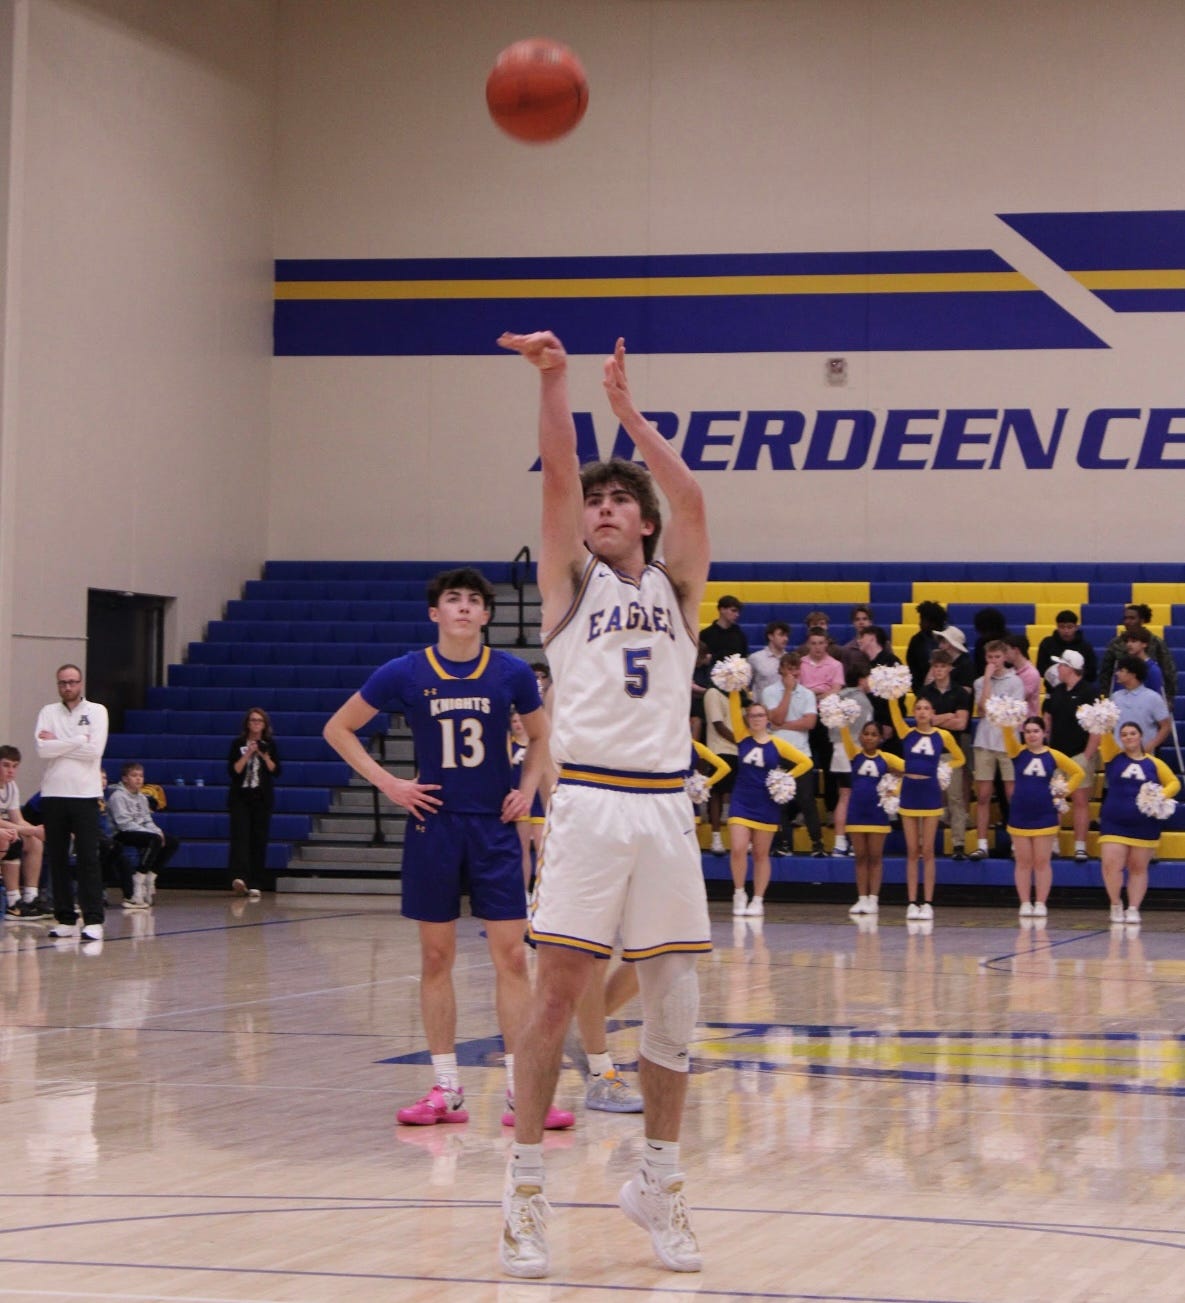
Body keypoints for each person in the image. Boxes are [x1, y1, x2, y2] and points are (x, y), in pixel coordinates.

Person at [496, 329, 711, 1278]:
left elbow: (693, 498)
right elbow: (556, 477)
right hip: (588, 802)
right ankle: (523, 1192)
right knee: (556, 996)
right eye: (596, 502)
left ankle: (658, 1181)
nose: (604, 508)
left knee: (676, 1004)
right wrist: (556, 383)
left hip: (664, 807)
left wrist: (631, 419)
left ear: (645, 522)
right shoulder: (567, 586)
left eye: (621, 499)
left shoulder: (680, 588)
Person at [322, 568, 571, 1135]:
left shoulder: (511, 672)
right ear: (434, 613)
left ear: (486, 614)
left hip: (493, 829)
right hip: (433, 825)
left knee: (513, 958)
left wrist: (528, 787)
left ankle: (523, 1091)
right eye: (452, 600)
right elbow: (338, 729)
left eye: (473, 600)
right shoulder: (406, 671)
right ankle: (446, 1088)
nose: (463, 607)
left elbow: (540, 735)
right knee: (436, 959)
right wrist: (390, 784)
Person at [36, 665, 108, 943]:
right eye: (63, 683)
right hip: (53, 794)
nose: (67, 687)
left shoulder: (97, 711)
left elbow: (94, 750)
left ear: (81, 683)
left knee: (88, 857)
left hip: (85, 795)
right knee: (57, 858)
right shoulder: (48, 712)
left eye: (72, 682)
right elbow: (42, 750)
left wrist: (59, 742)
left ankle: (93, 920)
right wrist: (77, 740)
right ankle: (65, 918)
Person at [725, 693, 811, 917]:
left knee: (761, 854)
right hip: (741, 800)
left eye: (760, 715)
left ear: (767, 719)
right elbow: (734, 706)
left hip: (766, 803)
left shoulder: (777, 744)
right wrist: (734, 687)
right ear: (747, 719)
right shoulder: (741, 736)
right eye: (752, 715)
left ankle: (758, 899)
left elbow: (805, 762)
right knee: (738, 848)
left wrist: (785, 778)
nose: (756, 719)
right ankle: (739, 893)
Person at [889, 695, 965, 919]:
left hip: (930, 792)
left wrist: (944, 768)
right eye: (918, 708)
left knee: (929, 850)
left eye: (926, 708)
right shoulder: (906, 732)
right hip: (909, 793)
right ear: (914, 712)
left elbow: (960, 758)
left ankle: (928, 902)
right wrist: (892, 695)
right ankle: (912, 901)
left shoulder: (943, 735)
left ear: (932, 713)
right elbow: (894, 712)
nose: (922, 712)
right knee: (912, 851)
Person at [1096, 723, 1180, 925]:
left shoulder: (1154, 763)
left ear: (1141, 736)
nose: (1128, 737)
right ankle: (1115, 903)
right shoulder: (1113, 757)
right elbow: (1105, 736)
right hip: (1114, 822)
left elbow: (1175, 783)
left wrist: (1160, 796)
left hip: (1144, 824)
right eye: (1124, 734)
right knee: (1111, 865)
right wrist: (1104, 719)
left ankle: (1133, 908)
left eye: (1133, 733)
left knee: (1138, 868)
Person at [1001, 719, 1085, 918]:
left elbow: (1078, 772)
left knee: (1042, 862)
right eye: (1028, 731)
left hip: (1045, 814)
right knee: (1023, 862)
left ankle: (1040, 903)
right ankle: (1024, 903)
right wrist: (1005, 719)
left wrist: (1064, 791)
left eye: (1036, 731)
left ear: (1044, 733)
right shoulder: (1017, 752)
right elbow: (1007, 734)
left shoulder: (1053, 755)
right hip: (1020, 814)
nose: (1032, 735)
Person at [839, 720, 905, 915]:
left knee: (875, 857)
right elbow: (844, 733)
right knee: (860, 857)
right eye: (866, 733)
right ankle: (861, 899)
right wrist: (841, 717)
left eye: (874, 734)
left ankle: (873, 899)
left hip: (877, 813)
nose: (869, 737)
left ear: (880, 739)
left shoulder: (886, 758)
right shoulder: (854, 753)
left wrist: (895, 789)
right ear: (861, 736)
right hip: (856, 812)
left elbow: (910, 769)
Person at [761, 653, 824, 857]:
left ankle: (817, 843)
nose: (793, 673)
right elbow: (776, 717)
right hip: (777, 753)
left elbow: (810, 723)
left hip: (801, 754)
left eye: (796, 668)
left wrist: (781, 726)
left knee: (807, 799)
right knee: (779, 800)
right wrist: (788, 691)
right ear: (781, 670)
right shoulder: (769, 692)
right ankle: (784, 844)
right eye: (789, 668)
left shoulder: (807, 694)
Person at [969, 640, 1026, 861]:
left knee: (1013, 795)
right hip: (985, 741)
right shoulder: (979, 682)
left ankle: (1016, 843)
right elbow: (982, 710)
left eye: (997, 657)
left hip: (1008, 743)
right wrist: (986, 679)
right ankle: (982, 844)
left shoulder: (1015, 681)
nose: (994, 661)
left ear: (1005, 657)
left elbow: (1015, 713)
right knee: (983, 795)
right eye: (990, 657)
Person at [1043, 650, 1100, 863]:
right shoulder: (1057, 691)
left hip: (1079, 754)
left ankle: (1080, 847)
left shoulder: (1089, 692)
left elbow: (1097, 728)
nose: (1058, 668)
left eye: (1061, 665)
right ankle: (1052, 844)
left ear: (1071, 668)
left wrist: (1087, 755)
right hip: (1058, 755)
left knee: (1080, 801)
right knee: (1056, 799)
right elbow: (1047, 720)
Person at [918, 650, 973, 859]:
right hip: (928, 751)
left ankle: (959, 844)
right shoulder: (925, 692)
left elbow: (961, 723)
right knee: (926, 798)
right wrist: (948, 716)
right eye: (936, 666)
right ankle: (923, 844)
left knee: (955, 797)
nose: (939, 670)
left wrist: (936, 719)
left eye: (942, 666)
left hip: (951, 752)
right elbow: (924, 720)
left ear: (950, 668)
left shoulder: (960, 692)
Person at [106, 762, 181, 908]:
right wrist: (151, 833)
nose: (138, 779)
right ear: (125, 779)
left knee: (172, 841)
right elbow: (124, 823)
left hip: (140, 831)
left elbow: (147, 820)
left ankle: (150, 876)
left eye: (141, 776)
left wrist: (157, 830)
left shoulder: (142, 797)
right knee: (154, 839)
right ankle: (138, 879)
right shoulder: (118, 796)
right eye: (134, 776)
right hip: (121, 833)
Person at [227, 707, 282, 901]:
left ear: (264, 724)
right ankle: (239, 877)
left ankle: (256, 882)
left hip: (261, 797)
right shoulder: (238, 744)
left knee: (259, 839)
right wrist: (248, 754)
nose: (256, 724)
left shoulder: (270, 744)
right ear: (247, 723)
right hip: (241, 796)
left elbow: (276, 771)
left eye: (259, 720)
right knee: (240, 837)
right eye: (253, 720)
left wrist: (264, 755)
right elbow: (234, 770)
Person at [826, 656, 873, 858]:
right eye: (869, 677)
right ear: (862, 679)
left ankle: (839, 843)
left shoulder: (837, 697)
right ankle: (854, 843)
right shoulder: (862, 701)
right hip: (854, 753)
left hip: (837, 752)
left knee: (844, 796)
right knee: (855, 798)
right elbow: (866, 733)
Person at [0, 745, 49, 920]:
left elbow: (17, 819)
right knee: (11, 840)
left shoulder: (11, 787)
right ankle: (12, 901)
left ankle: (30, 897)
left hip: (5, 830)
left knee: (35, 841)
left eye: (15, 766)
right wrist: (30, 829)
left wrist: (36, 831)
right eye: (6, 765)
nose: (11, 771)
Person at [1099, 604, 1177, 700]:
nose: (1128, 621)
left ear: (1141, 620)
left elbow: (1168, 671)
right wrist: (1105, 697)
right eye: (1125, 618)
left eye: (1132, 618)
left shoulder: (1156, 642)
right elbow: (1106, 673)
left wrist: (1169, 698)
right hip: (1122, 694)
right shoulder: (1115, 643)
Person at [510, 709, 548, 890]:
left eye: (520, 720)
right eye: (514, 721)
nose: (518, 724)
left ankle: (543, 891)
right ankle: (524, 892)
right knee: (522, 849)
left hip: (538, 802)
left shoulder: (539, 744)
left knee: (543, 849)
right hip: (521, 800)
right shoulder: (510, 745)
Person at [701, 679, 738, 854]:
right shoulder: (713, 693)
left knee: (740, 793)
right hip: (719, 750)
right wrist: (741, 741)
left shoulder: (738, 696)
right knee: (716, 793)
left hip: (739, 751)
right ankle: (716, 838)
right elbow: (718, 725)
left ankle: (742, 838)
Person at [1110, 656, 1171, 752]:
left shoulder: (1153, 698)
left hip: (1144, 754)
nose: (1117, 673)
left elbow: (1166, 726)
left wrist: (1151, 746)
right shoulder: (1115, 697)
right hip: (1118, 753)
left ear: (1133, 674)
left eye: (1121, 670)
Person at [1036, 610, 1098, 684]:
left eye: (1069, 627)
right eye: (1062, 627)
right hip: (1052, 688)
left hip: (1078, 688)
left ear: (1076, 627)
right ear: (1057, 627)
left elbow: (1092, 674)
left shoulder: (1085, 647)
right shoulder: (1047, 644)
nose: (1066, 631)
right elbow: (1041, 669)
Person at [906, 600, 947, 695]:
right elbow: (913, 667)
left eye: (923, 620)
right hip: (924, 691)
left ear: (934, 622)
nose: (919, 623)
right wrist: (920, 691)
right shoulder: (916, 641)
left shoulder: (950, 639)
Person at [1111, 626, 1164, 695]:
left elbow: (1155, 696)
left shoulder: (1153, 670)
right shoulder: (1121, 667)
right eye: (1127, 641)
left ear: (1144, 644)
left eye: (1134, 641)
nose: (1129, 644)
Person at [699, 594, 747, 665]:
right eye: (733, 611)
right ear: (722, 609)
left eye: (738, 612)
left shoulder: (740, 635)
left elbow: (743, 658)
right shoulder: (705, 634)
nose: (737, 615)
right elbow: (700, 661)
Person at [748, 620, 791, 698]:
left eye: (786, 635)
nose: (785, 639)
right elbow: (745, 683)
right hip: (762, 704)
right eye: (781, 635)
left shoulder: (790, 659)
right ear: (770, 636)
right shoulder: (755, 658)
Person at [1005, 634, 1042, 715]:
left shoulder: (1031, 673)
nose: (1004, 654)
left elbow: (1018, 699)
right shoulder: (1010, 671)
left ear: (1016, 650)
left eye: (1006, 650)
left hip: (1026, 720)